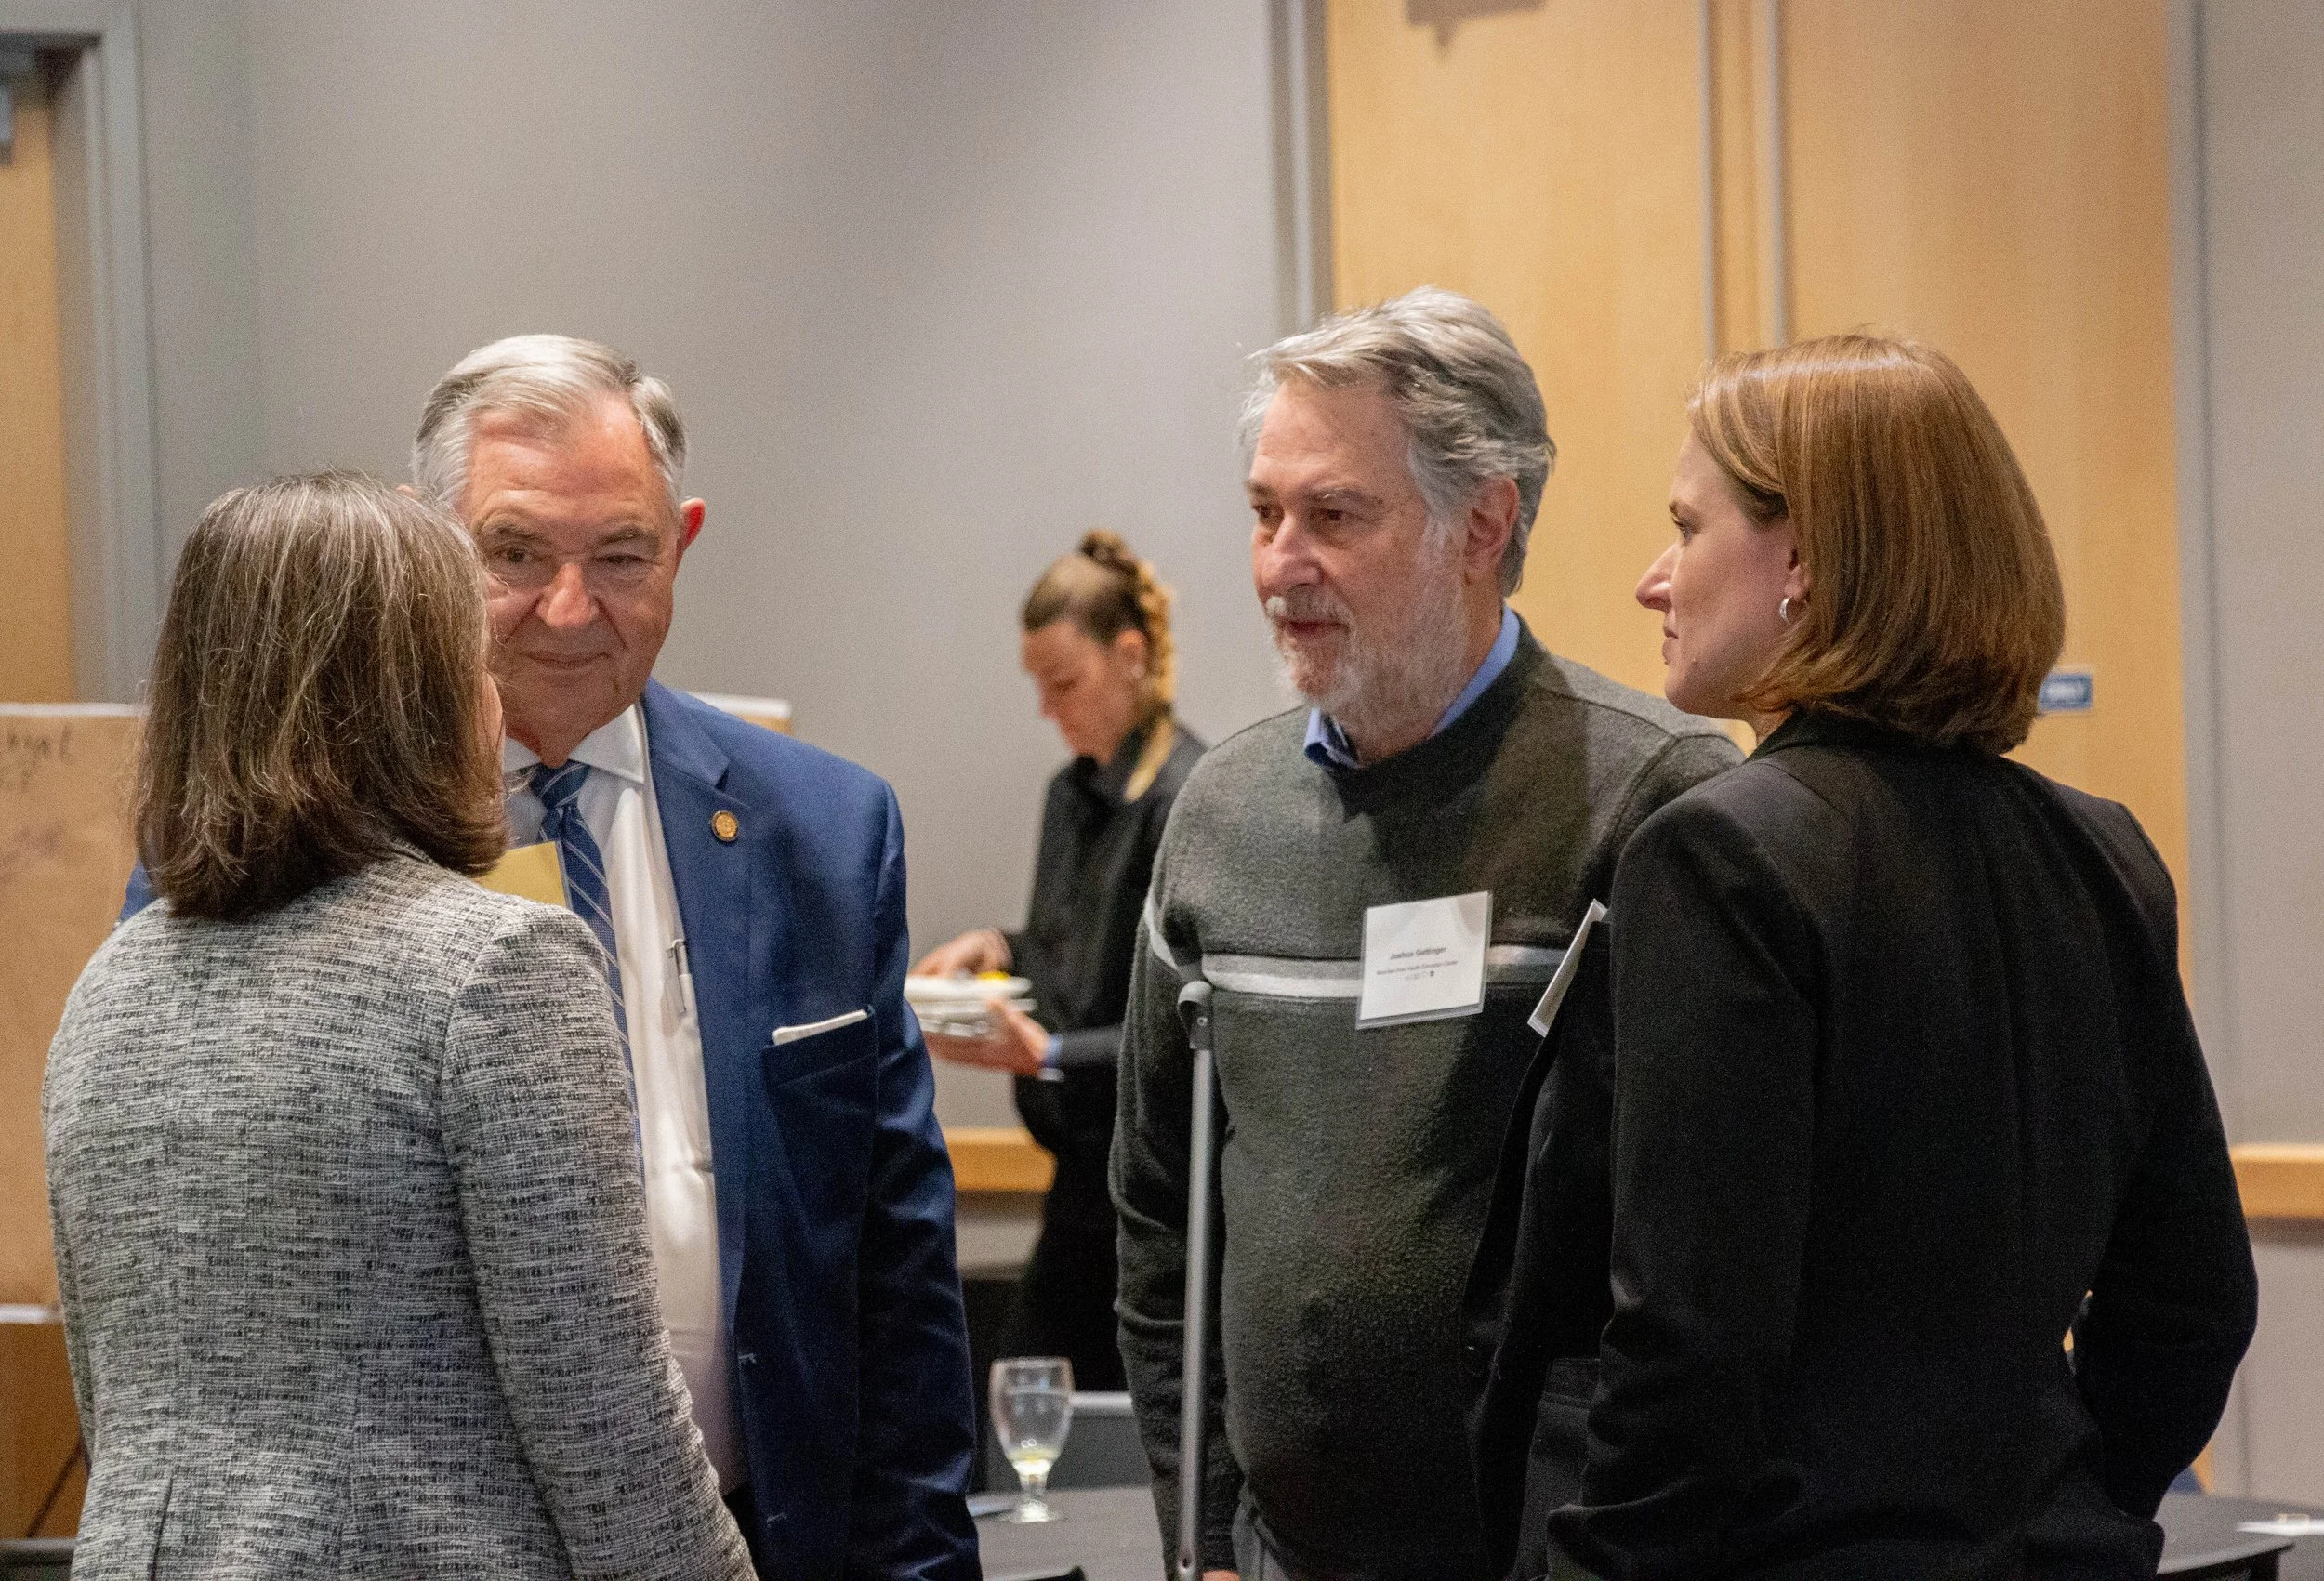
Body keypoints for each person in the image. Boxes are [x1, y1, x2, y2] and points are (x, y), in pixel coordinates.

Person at [118, 336, 980, 1580]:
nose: (570, 609)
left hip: (754, 1538)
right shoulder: (268, 838)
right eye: (514, 554)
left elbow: (899, 1280)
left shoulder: (826, 835)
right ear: (424, 546)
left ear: (681, 541)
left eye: (621, 556)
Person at [1518, 335, 2258, 1579]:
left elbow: (1690, 1347)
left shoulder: (1718, 857)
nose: (1655, 580)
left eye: (1687, 529)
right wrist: (2062, 1500)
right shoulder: (2104, 855)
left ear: (1800, 558)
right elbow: (2192, 1307)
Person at [1111, 287, 1741, 1581]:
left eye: (1335, 515)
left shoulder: (1653, 800)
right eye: (1264, 512)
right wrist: (1203, 1532)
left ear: (1484, 523)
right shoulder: (1217, 815)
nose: (1282, 562)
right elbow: (1164, 1213)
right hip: (1275, 1558)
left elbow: (1692, 1275)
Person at [46, 473, 753, 1577]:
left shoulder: (110, 987)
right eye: (475, 663)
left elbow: (116, 1407)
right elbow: (609, 1433)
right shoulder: (496, 970)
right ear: (416, 699)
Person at [917, 530, 1206, 1391]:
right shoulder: (1070, 791)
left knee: (1108, 1445)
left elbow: (1187, 1021)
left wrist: (1041, 1053)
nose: (1050, 709)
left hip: (1159, 1196)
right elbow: (1071, 967)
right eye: (1038, 686)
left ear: (1130, 657)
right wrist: (998, 950)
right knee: (1021, 1406)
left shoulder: (1186, 800)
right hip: (1078, 1181)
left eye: (1065, 683)